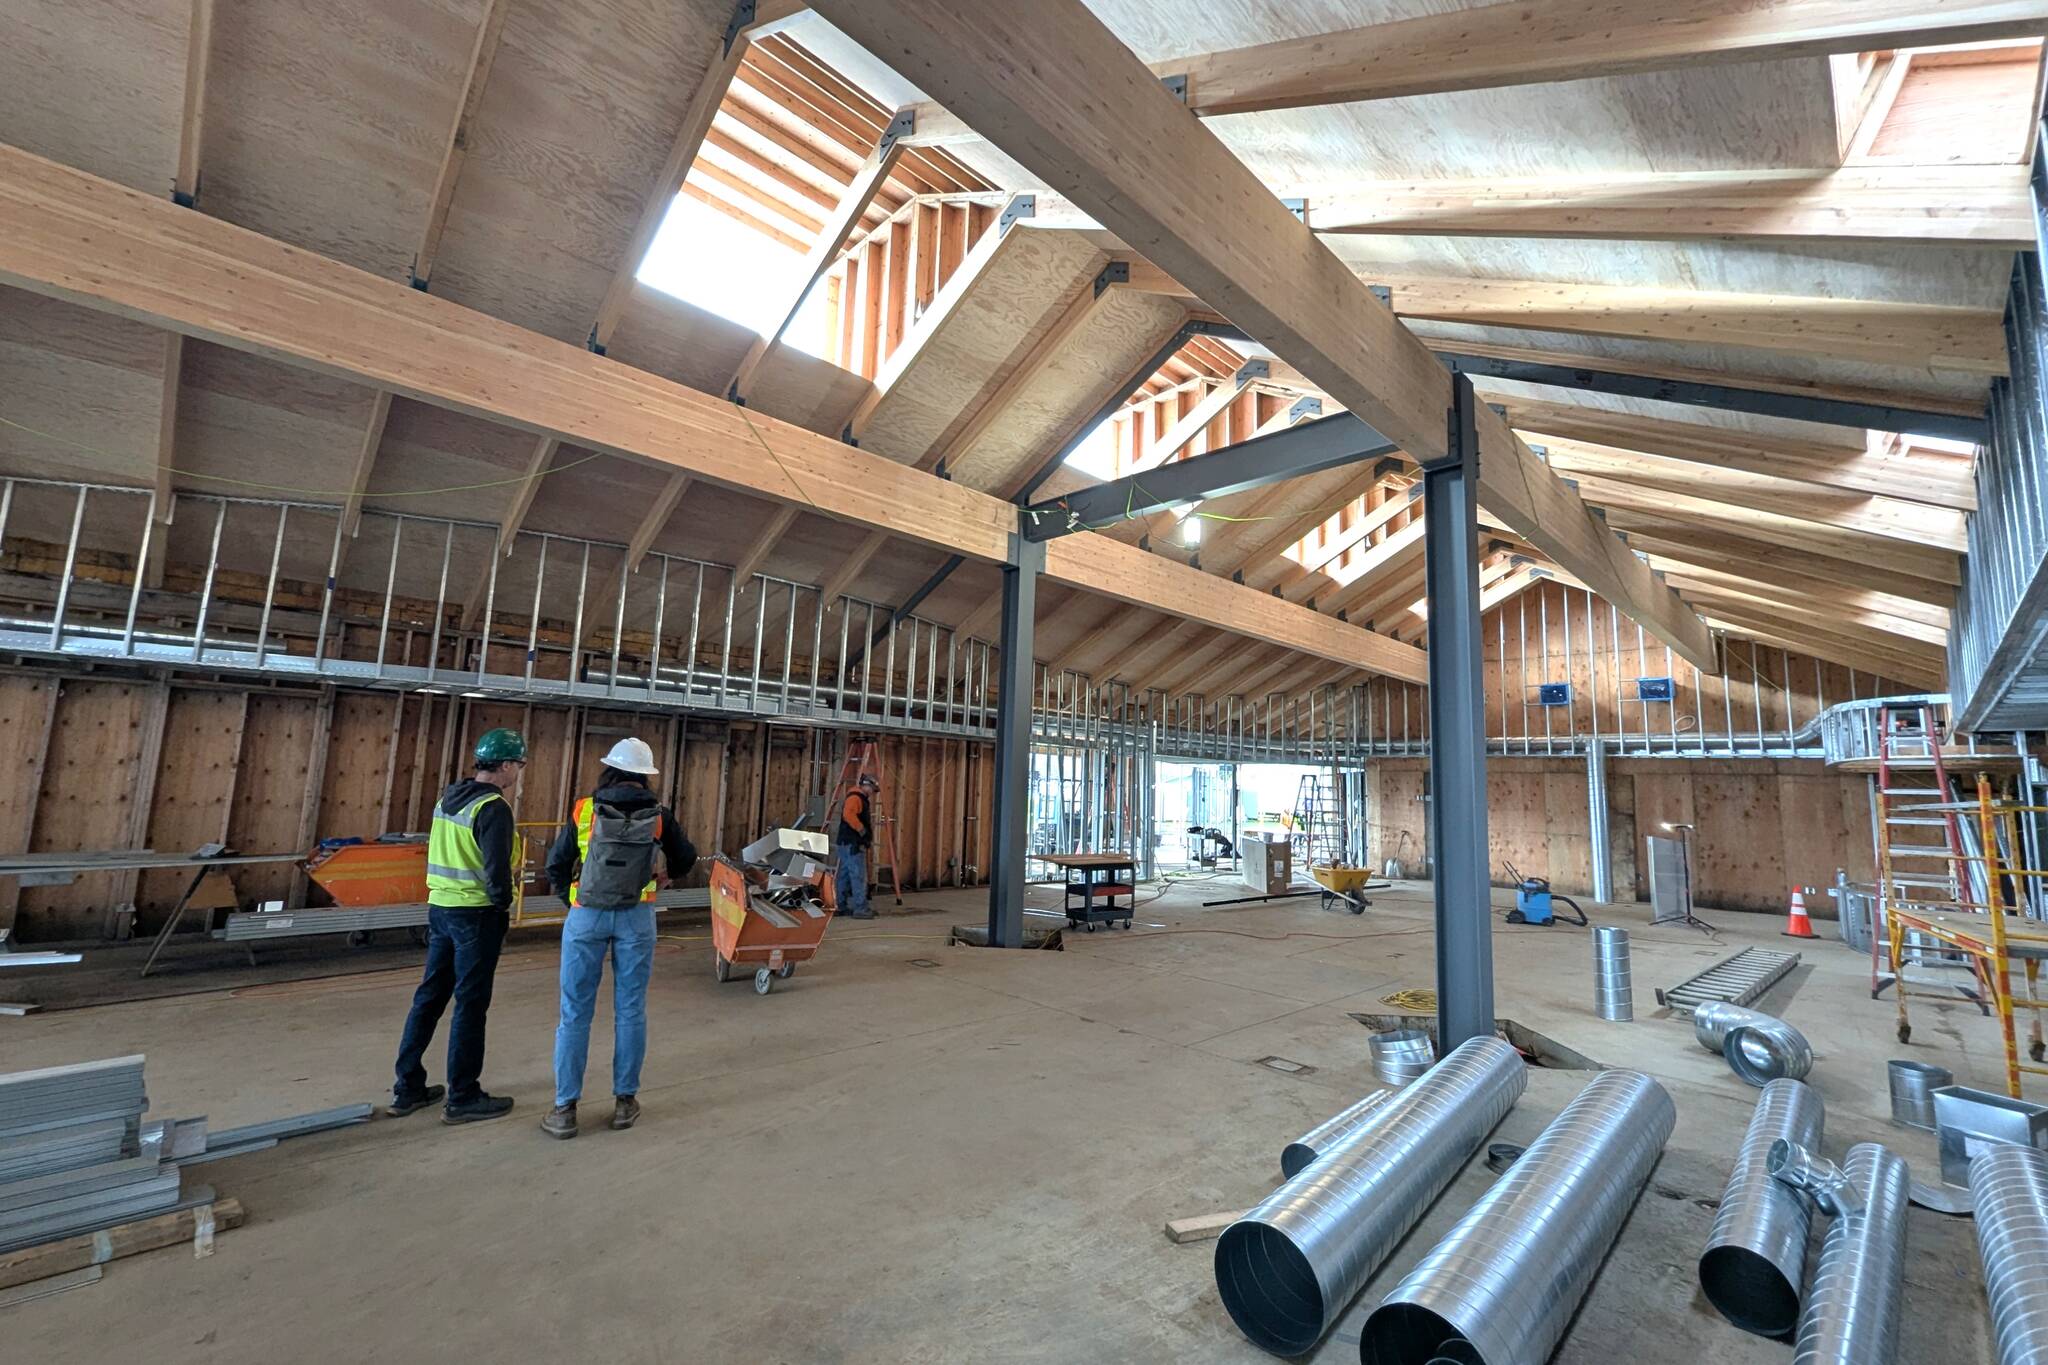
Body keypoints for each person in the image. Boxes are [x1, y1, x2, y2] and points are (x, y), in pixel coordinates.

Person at [540, 738, 696, 1140]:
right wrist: (666, 877)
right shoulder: (657, 814)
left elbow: (555, 864)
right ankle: (625, 1102)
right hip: (636, 916)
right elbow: (687, 857)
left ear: (609, 769)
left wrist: (571, 900)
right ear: (644, 774)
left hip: (586, 916)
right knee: (630, 1010)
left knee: (574, 1013)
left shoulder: (585, 809)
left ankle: (564, 1109)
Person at [389, 727, 526, 1124]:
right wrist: (503, 910)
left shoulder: (447, 800)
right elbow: (497, 871)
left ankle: (408, 1088)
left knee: (429, 997)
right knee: (470, 1004)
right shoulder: (493, 809)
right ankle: (463, 1096)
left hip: (441, 910)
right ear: (504, 765)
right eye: (517, 763)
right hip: (477, 915)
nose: (517, 771)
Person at [835, 772, 878, 920]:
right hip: (853, 843)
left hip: (845, 842)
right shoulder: (856, 798)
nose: (872, 793)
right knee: (858, 875)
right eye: (872, 789)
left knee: (844, 875)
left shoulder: (856, 797)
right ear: (866, 785)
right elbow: (848, 815)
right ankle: (860, 908)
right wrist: (861, 830)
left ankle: (840, 906)